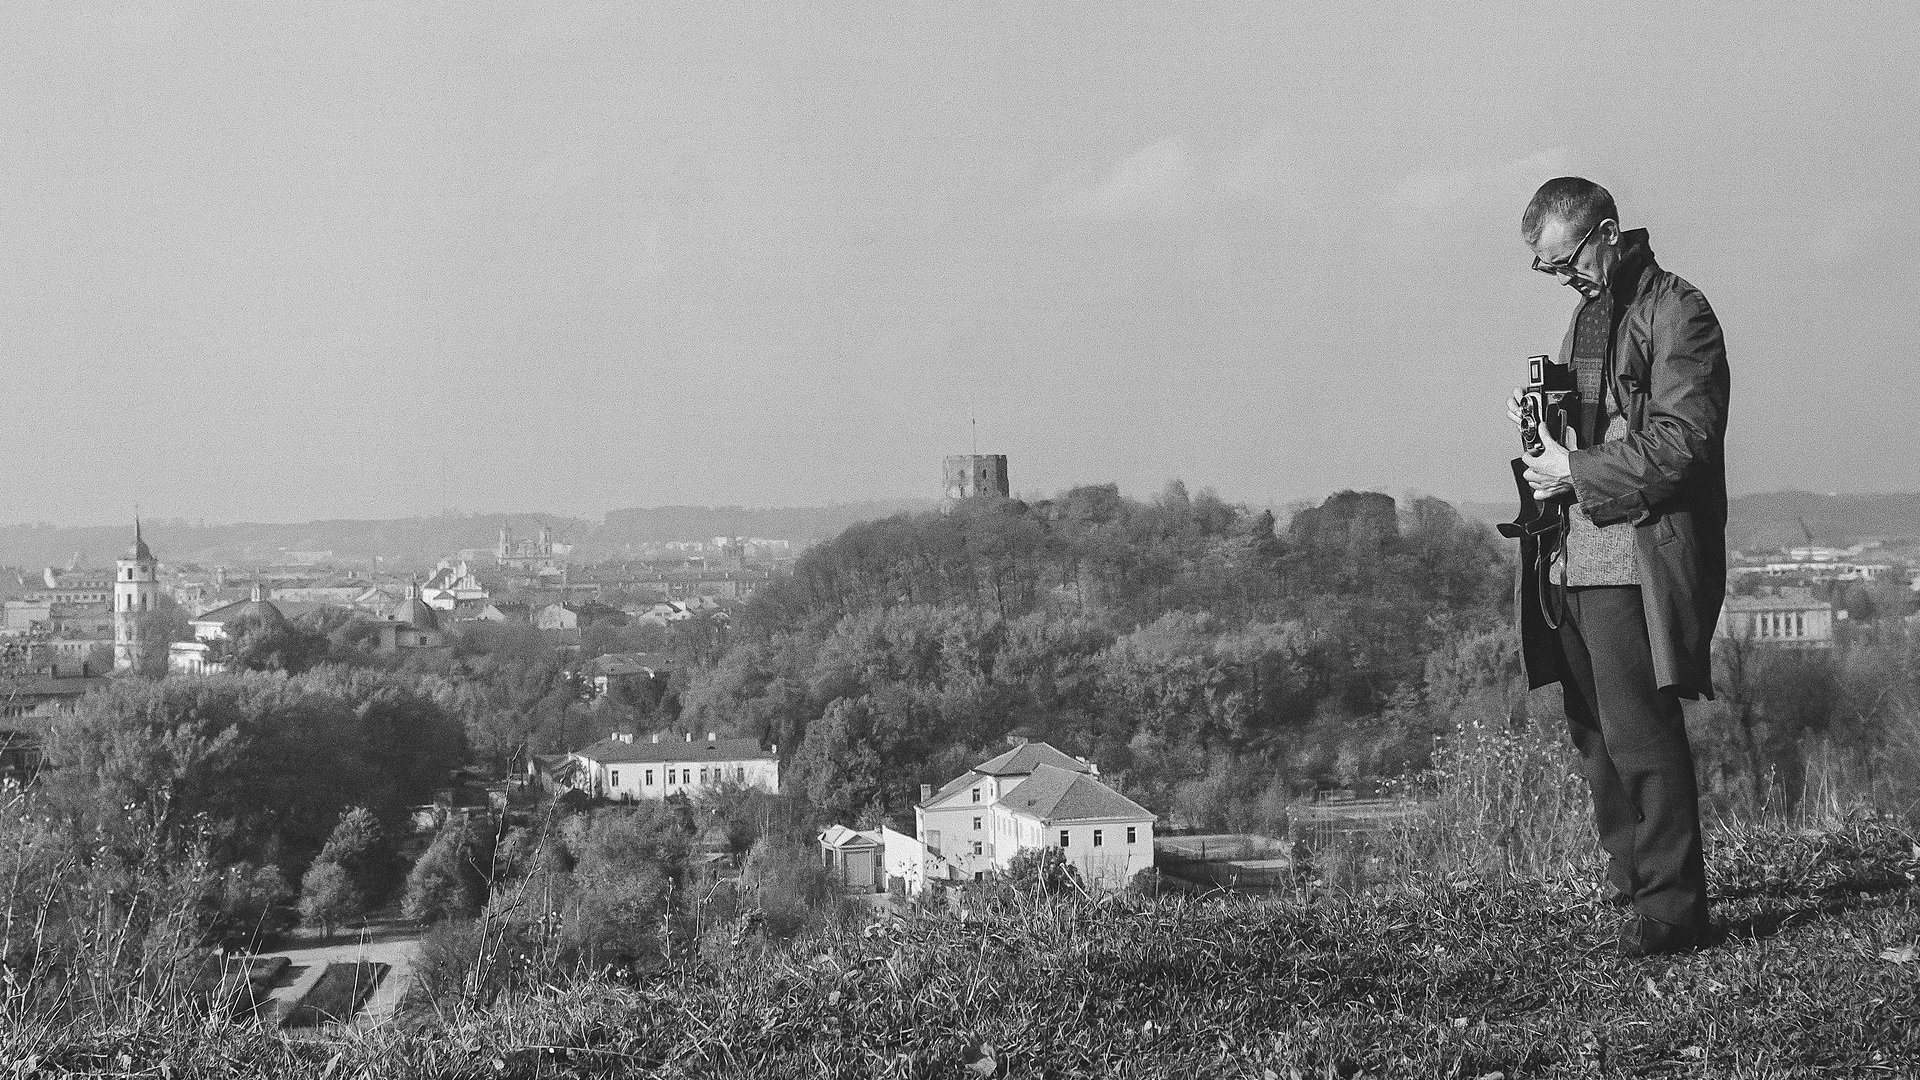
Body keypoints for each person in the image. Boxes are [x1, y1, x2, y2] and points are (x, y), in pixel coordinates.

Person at [1506, 176, 1730, 957]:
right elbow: (1594, 429)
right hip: (1570, 557)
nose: (1559, 278)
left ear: (1607, 232)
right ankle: (1637, 889)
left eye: (1563, 261)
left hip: (1631, 558)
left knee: (1640, 735)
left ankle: (1673, 915)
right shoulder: (1589, 311)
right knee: (1594, 735)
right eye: (1545, 268)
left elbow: (1683, 443)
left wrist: (1575, 470)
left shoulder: (1681, 312)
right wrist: (1542, 426)